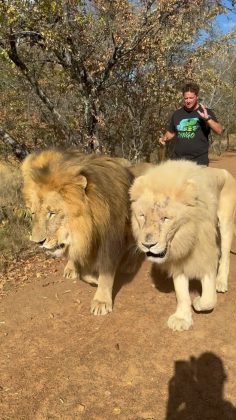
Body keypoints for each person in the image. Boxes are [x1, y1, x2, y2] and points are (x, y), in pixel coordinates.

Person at [159, 82, 223, 166]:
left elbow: (219, 130)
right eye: (186, 98)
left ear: (197, 97)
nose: (188, 101)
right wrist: (164, 138)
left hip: (199, 163)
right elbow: (171, 133)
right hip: (178, 162)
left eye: (191, 98)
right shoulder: (177, 114)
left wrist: (208, 119)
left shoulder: (206, 112)